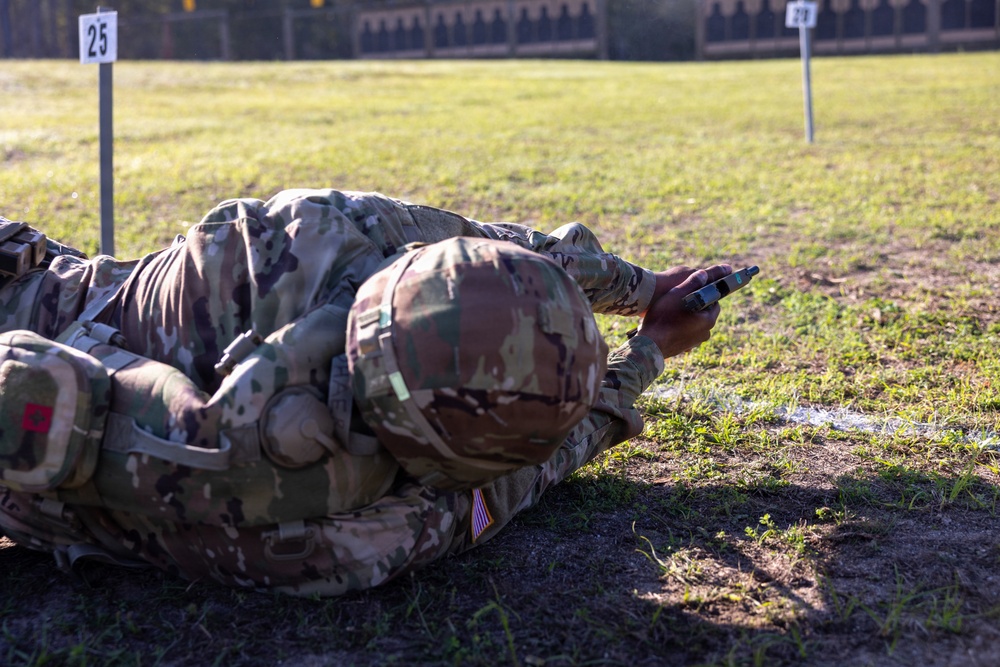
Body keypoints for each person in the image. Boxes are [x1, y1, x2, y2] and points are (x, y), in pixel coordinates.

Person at [0, 188, 729, 596]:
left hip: (38, 294)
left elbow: (504, 251)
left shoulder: (325, 232)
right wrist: (649, 349)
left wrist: (639, 288)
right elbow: (532, 470)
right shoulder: (352, 535)